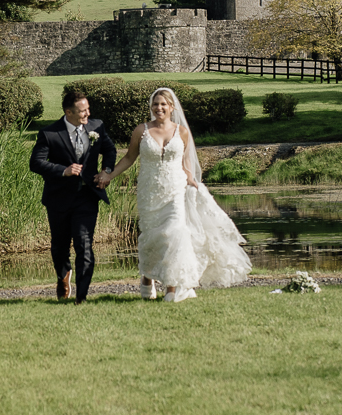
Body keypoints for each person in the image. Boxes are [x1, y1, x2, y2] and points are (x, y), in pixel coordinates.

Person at [100, 86, 251, 301]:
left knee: (174, 233)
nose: (158, 108)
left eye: (163, 104)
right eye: (155, 104)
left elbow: (186, 161)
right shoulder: (141, 130)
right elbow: (129, 158)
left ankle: (171, 287)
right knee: (152, 236)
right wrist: (109, 176)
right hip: (149, 190)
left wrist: (191, 178)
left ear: (172, 107)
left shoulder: (182, 131)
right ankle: (147, 276)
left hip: (175, 190)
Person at [29, 87, 118, 304]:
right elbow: (36, 163)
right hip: (58, 198)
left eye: (88, 109)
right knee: (60, 245)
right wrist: (63, 170)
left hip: (87, 196)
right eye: (82, 111)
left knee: (84, 244)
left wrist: (106, 171)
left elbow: (110, 150)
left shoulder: (97, 126)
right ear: (68, 112)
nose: (87, 114)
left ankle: (82, 297)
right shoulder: (49, 133)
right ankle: (63, 276)